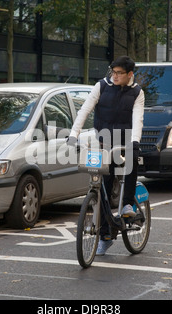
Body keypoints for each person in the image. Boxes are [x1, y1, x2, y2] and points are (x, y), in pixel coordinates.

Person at [67, 56, 145, 256]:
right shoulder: (101, 86)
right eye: (113, 71)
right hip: (104, 142)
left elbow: (138, 119)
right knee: (102, 186)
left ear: (129, 74)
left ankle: (127, 202)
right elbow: (84, 111)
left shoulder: (137, 92)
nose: (115, 76)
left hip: (127, 141)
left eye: (119, 73)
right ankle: (106, 236)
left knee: (131, 161)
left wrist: (135, 141)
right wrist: (74, 135)